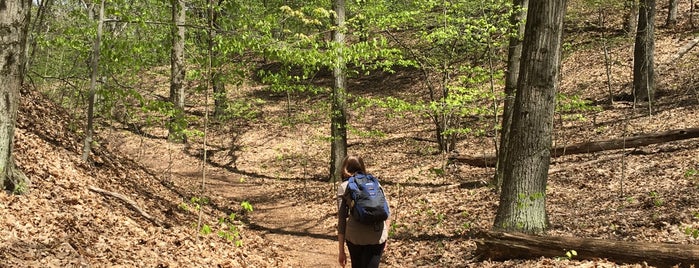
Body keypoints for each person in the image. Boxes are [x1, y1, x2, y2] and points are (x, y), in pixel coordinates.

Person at [337, 155, 390, 268]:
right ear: (362, 166)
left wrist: (341, 251)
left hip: (355, 237)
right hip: (377, 234)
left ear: (345, 168)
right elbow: (387, 212)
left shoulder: (344, 186)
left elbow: (342, 220)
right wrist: (385, 236)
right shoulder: (374, 183)